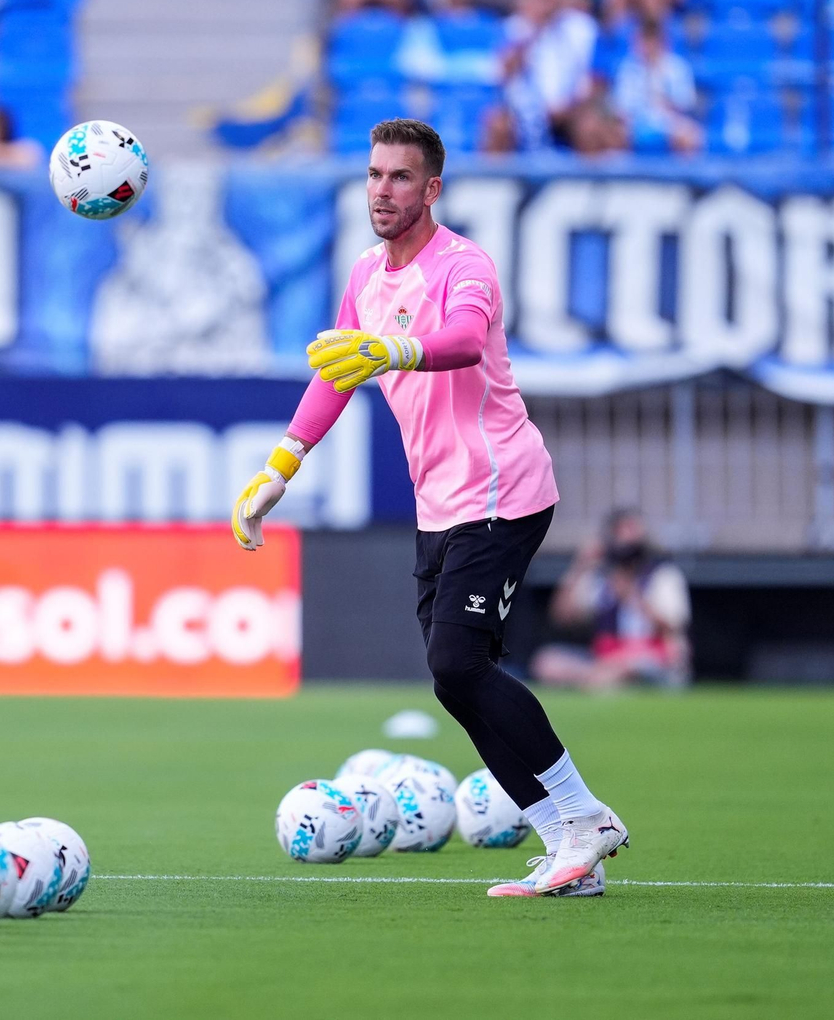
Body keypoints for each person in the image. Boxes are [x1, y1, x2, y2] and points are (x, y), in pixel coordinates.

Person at [232, 118, 628, 899]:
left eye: (400, 177)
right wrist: (280, 466)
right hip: (440, 503)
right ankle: (565, 850)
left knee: (457, 662)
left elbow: (461, 341)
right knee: (455, 680)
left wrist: (391, 349)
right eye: (375, 175)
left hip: (503, 491)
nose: (383, 190)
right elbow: (336, 370)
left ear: (432, 188)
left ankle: (587, 818)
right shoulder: (367, 277)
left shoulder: (464, 265)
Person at [531, 508, 692, 689]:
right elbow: (562, 616)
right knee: (547, 661)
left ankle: (602, 681)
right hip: (605, 658)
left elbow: (673, 627)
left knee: (630, 666)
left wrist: (633, 596)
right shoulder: (602, 579)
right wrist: (580, 566)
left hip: (648, 657)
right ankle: (599, 680)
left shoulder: (663, 576)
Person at [482, 0, 619, 154]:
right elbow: (502, 75)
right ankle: (494, 181)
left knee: (592, 126)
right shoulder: (514, 28)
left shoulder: (581, 28)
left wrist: (569, 107)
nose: (547, 5)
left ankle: (594, 183)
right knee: (496, 124)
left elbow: (598, 81)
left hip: (572, 111)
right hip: (523, 112)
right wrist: (532, 32)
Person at [610, 17, 701, 154]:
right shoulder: (628, 67)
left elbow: (687, 102)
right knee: (612, 135)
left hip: (670, 122)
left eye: (651, 41)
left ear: (660, 42)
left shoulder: (677, 67)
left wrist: (667, 103)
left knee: (690, 137)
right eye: (643, 41)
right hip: (635, 122)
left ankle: (684, 175)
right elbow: (620, 105)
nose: (647, 46)